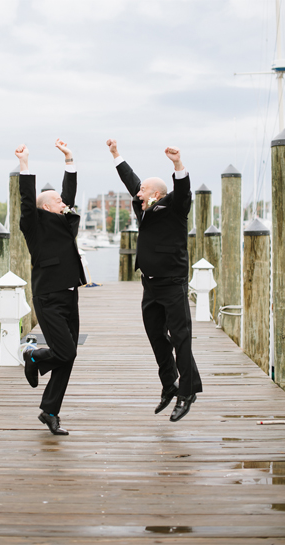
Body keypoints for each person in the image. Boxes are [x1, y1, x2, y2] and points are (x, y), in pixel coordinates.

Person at [106, 139, 202, 422]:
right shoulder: (143, 208)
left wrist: (177, 164)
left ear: (158, 194)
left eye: (144, 190)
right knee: (156, 336)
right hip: (149, 285)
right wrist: (116, 154)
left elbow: (183, 191)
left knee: (181, 337)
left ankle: (187, 392)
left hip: (173, 284)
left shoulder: (175, 206)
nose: (138, 193)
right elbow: (131, 181)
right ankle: (169, 384)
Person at [16, 140, 86, 436]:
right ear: (47, 206)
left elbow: (67, 194)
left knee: (68, 355)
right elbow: (27, 202)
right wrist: (24, 165)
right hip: (48, 297)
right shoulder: (35, 224)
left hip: (71, 295)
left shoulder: (65, 221)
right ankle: (33, 356)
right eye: (57, 200)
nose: (64, 202)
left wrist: (69, 159)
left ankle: (50, 411)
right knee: (65, 351)